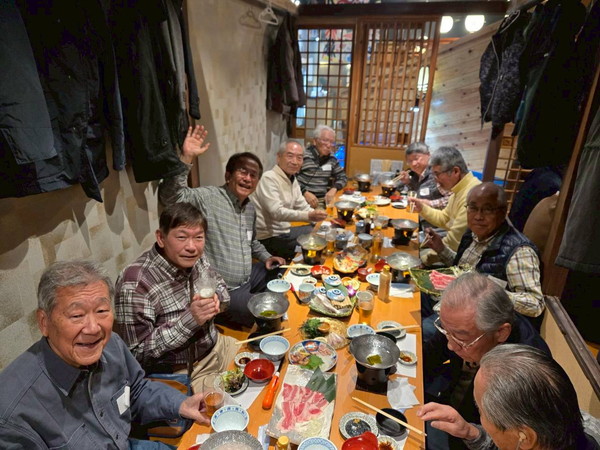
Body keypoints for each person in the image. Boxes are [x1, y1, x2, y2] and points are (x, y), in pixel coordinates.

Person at [0, 260, 209, 450]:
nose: (93, 328)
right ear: (44, 322)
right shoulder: (12, 411)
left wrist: (180, 404)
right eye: (77, 315)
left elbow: (136, 391)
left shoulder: (111, 345)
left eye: (101, 311)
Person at [158, 125, 285, 328]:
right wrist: (186, 157)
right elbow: (171, 198)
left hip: (247, 278)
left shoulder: (250, 208)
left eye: (253, 175)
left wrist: (266, 257)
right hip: (224, 289)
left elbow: (252, 242)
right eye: (243, 172)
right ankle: (233, 315)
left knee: (280, 274)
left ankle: (255, 304)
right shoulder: (209, 197)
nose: (248, 179)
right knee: (260, 313)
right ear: (228, 176)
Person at [115, 203, 237, 392]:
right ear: (161, 238)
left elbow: (221, 287)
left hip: (218, 347)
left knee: (269, 365)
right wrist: (190, 320)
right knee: (239, 407)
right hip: (185, 374)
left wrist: (217, 299)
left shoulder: (197, 258)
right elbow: (136, 355)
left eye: (198, 237)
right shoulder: (136, 282)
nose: (192, 247)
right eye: (181, 237)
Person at [420, 272, 549, 450]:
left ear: (501, 333)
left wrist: (471, 432)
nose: (450, 345)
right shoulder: (461, 326)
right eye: (445, 331)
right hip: (453, 404)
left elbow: (514, 443)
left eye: (460, 339)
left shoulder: (525, 374)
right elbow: (430, 356)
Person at [418, 344, 600, 450]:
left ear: (525, 437)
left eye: (481, 411)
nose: (480, 417)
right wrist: (470, 432)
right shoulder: (557, 419)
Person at [422, 183, 544, 337]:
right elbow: (461, 270)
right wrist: (441, 249)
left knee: (422, 333)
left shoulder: (519, 251)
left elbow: (534, 304)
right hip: (452, 301)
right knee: (411, 298)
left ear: (503, 212)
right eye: (473, 208)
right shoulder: (472, 234)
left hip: (474, 324)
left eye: (487, 209)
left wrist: (484, 290)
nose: (478, 216)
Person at [252, 139, 328, 260]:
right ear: (278, 157)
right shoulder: (269, 178)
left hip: (284, 232)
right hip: (268, 238)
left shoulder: (292, 178)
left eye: (299, 158)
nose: (295, 162)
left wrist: (318, 217)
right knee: (312, 246)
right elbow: (276, 212)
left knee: (320, 233)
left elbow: (302, 205)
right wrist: (309, 216)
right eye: (290, 156)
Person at [409, 147, 481, 266]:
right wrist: (422, 208)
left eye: (437, 174)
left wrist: (423, 260)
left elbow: (453, 242)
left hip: (466, 262)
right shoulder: (459, 189)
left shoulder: (472, 194)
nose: (435, 180)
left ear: (455, 171)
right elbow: (445, 218)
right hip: (454, 252)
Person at [296, 124, 347, 208]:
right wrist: (304, 192)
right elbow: (290, 179)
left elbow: (343, 177)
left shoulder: (332, 159)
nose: (329, 145)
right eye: (325, 140)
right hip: (301, 199)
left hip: (321, 201)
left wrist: (334, 188)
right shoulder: (303, 156)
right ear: (315, 141)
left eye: (332, 142)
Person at [398, 142, 450, 209]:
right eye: (410, 161)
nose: (413, 164)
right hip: (418, 212)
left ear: (428, 155)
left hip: (434, 214)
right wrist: (408, 182)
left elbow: (452, 199)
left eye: (416, 159)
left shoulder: (437, 174)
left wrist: (430, 203)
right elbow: (415, 193)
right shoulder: (415, 175)